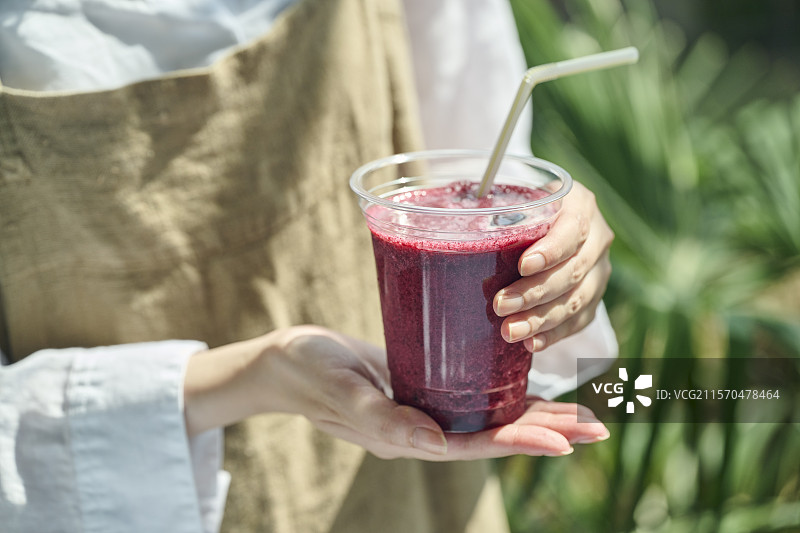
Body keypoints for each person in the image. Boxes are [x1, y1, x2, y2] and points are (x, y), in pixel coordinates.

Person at [0, 0, 618, 532]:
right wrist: (259, 373)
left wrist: (560, 262)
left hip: (413, 470)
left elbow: (487, 169)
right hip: (117, 491)